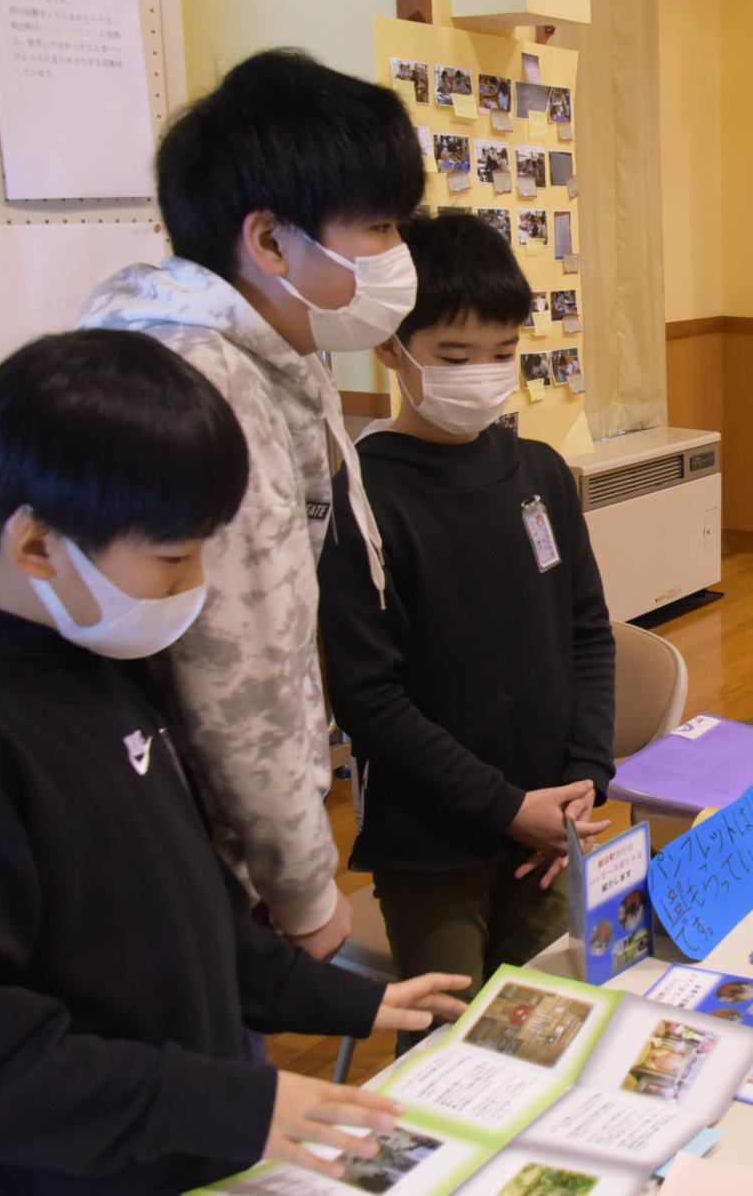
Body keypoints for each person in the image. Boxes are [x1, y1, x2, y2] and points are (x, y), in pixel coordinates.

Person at [0, 332, 468, 1193]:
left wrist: (349, 1002)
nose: (195, 585)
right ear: (39, 546)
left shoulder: (117, 673)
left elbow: (199, 918)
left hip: (198, 1150)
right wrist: (234, 1102)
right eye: (171, 559)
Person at [81, 49, 426, 958]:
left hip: (156, 827)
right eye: (381, 226)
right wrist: (308, 890)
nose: (399, 256)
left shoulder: (216, 345)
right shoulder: (211, 387)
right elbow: (243, 670)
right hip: (170, 852)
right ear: (270, 241)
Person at [318, 214, 617, 999]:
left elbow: (589, 634)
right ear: (391, 345)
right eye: (455, 356)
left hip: (550, 828)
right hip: (433, 845)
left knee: (557, 1017)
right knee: (453, 1051)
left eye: (503, 353)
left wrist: (585, 776)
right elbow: (368, 698)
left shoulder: (541, 474)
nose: (483, 374)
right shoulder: (363, 501)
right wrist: (505, 805)